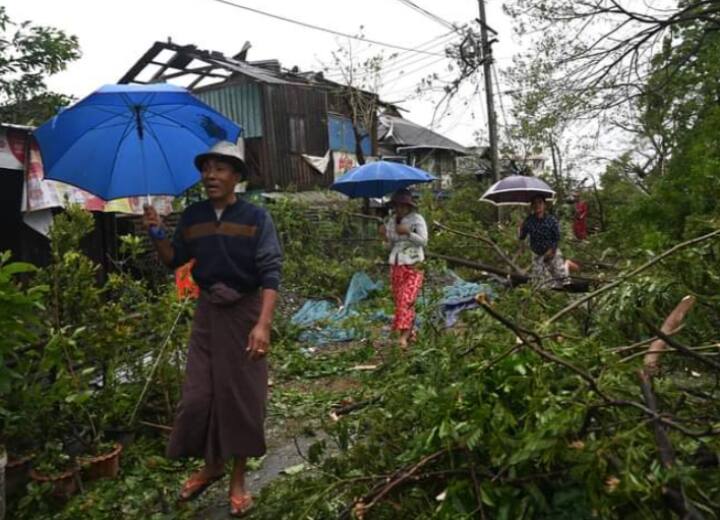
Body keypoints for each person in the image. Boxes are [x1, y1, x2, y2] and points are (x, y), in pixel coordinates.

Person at [143, 140, 282, 517]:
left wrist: (263, 325)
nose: (210, 175)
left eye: (221, 168)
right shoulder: (193, 217)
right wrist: (157, 232)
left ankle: (237, 479)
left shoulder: (256, 218)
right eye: (206, 168)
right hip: (208, 314)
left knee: (241, 399)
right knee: (200, 396)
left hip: (246, 312)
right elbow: (174, 260)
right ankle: (212, 465)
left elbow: (271, 272)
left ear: (237, 176)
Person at [381, 188, 428, 349]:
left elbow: (423, 241)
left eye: (402, 205)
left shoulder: (417, 219)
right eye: (397, 206)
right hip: (396, 264)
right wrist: (385, 236)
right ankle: (411, 332)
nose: (399, 209)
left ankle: (403, 337)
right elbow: (391, 242)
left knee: (406, 300)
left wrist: (408, 233)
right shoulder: (392, 220)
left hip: (414, 263)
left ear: (408, 206)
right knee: (399, 299)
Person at [519, 195, 570, 289]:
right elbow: (522, 237)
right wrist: (521, 228)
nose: (537, 205)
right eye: (534, 203)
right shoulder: (529, 221)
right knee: (541, 284)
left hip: (552, 253)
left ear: (544, 205)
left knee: (562, 279)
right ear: (531, 206)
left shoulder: (551, 220)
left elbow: (557, 237)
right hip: (537, 255)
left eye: (539, 202)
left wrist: (552, 250)